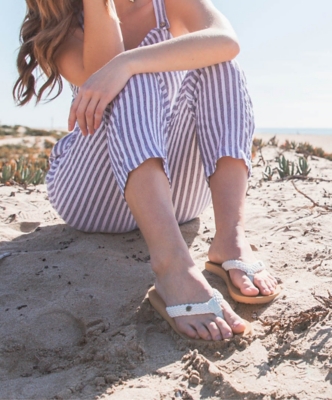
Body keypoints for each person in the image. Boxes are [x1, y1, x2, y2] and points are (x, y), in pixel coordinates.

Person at [14, 0, 279, 342]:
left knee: (221, 64)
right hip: (93, 194)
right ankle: (172, 267)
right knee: (126, 78)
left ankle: (230, 240)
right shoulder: (62, 19)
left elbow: (227, 41)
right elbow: (103, 78)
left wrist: (130, 61)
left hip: (174, 197)